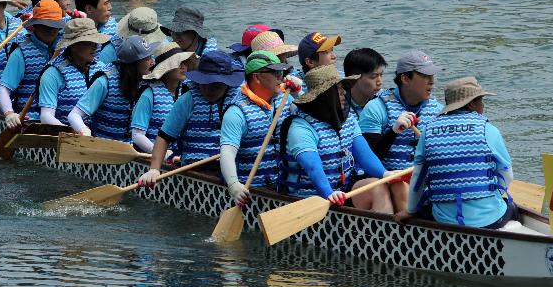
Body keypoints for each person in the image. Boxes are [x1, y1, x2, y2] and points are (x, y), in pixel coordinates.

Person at [395, 77, 516, 230]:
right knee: (512, 208)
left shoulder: (428, 131)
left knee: (426, 207)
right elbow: (507, 174)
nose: (483, 106)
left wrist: (410, 211)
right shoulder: (488, 129)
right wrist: (494, 193)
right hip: (488, 220)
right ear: (471, 104)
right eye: (481, 101)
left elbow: (418, 180)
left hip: (443, 219)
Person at [280, 64, 392, 211]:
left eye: (343, 89)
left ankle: (382, 231)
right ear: (324, 96)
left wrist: (385, 173)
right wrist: (329, 193)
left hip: (342, 191)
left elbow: (363, 154)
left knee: (379, 186)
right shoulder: (300, 128)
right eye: (338, 90)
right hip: (308, 199)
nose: (343, 93)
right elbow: (313, 168)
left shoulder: (348, 119)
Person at [138, 51, 244, 185]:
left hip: (230, 172)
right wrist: (154, 169)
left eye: (216, 85)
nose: (209, 90)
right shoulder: (188, 100)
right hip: (193, 170)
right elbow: (164, 137)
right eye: (204, 83)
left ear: (227, 83)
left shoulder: (237, 100)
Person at [358, 49, 444, 212]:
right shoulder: (376, 108)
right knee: (401, 186)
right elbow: (367, 157)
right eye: (425, 76)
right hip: (387, 183)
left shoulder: (438, 111)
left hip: (426, 184)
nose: (432, 82)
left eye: (432, 76)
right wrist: (393, 132)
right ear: (405, 78)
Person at [220, 51, 294, 205]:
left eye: (281, 72)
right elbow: (227, 152)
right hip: (252, 190)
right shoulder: (236, 112)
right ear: (257, 77)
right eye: (275, 73)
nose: (280, 77)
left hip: (284, 186)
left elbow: (311, 118)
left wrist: (300, 94)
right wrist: (234, 185)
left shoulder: (285, 97)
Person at [68, 35, 158, 140]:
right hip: (104, 148)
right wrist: (84, 130)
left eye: (151, 57)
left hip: (133, 149)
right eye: (147, 59)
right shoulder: (105, 81)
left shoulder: (147, 81)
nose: (153, 62)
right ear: (134, 64)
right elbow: (74, 115)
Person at [0, 0, 66, 126]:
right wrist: (9, 113)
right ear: (35, 25)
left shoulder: (64, 46)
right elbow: (3, 89)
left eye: (55, 26)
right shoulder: (21, 52)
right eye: (47, 26)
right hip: (30, 120)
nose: (52, 30)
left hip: (61, 118)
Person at [37, 18, 110, 126]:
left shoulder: (102, 69)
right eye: (89, 42)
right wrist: (74, 132)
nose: (95, 46)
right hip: (66, 136)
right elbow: (46, 116)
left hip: (100, 136)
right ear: (73, 45)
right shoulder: (52, 73)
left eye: (95, 41)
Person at [131, 42, 196, 157]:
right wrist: (162, 154)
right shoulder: (149, 94)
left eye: (184, 62)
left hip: (176, 156)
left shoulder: (186, 92)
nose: (183, 66)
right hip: (151, 157)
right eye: (178, 63)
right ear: (165, 69)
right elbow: (137, 136)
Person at [343, 47, 387, 118]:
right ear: (353, 78)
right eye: (373, 76)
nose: (380, 82)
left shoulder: (384, 99)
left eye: (381, 75)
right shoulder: (339, 105)